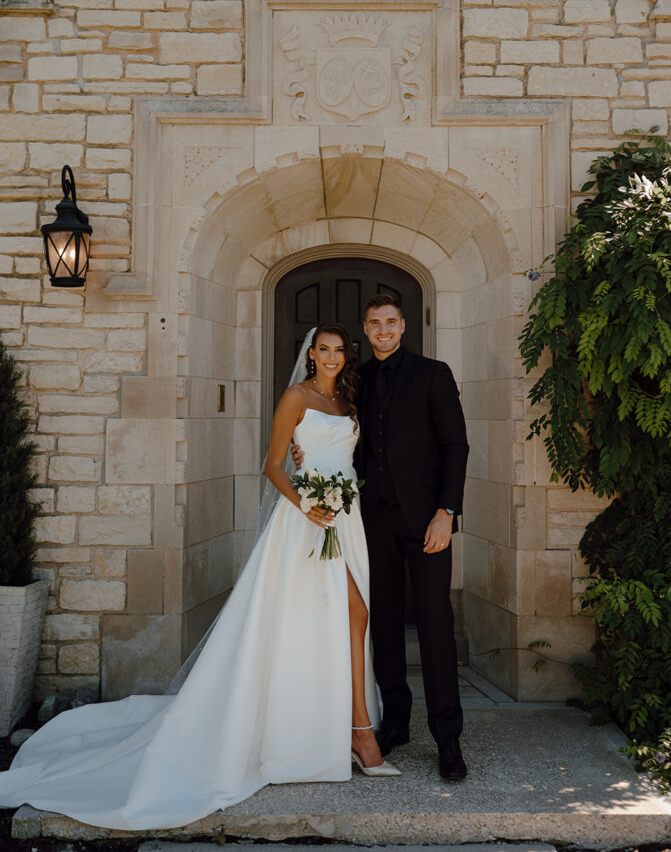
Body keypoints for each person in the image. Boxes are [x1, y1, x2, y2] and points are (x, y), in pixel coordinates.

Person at [0, 324, 398, 832]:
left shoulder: (348, 400)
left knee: (331, 620)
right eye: (324, 350)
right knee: (351, 612)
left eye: (340, 351)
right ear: (311, 354)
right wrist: (305, 502)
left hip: (347, 516)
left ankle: (330, 726)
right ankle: (358, 734)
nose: (332, 358)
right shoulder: (295, 396)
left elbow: (346, 457)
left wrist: (329, 487)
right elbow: (273, 464)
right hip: (306, 520)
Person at [293, 295, 469, 780]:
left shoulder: (434, 373)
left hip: (428, 522)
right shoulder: (357, 380)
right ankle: (394, 722)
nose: (383, 330)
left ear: (403, 325)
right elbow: (335, 433)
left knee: (434, 625)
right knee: (383, 624)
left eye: (390, 322)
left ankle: (448, 739)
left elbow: (456, 445)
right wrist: (302, 452)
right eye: (374, 324)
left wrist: (446, 512)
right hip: (372, 522)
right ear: (365, 332)